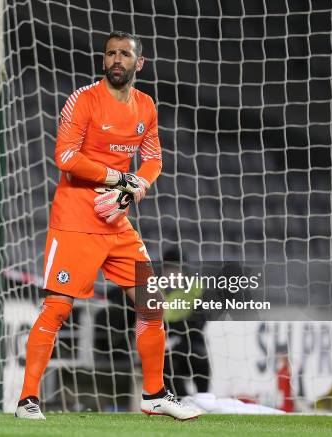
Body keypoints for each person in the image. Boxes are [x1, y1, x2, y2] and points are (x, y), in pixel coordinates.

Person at [15, 31, 202, 421]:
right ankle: (27, 399)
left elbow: (152, 159)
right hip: (75, 221)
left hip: (116, 223)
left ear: (139, 63)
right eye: (111, 54)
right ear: (104, 62)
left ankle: (154, 394)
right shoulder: (83, 100)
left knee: (151, 302)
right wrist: (120, 180)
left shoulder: (146, 107)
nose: (117, 59)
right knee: (58, 307)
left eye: (125, 54)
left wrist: (140, 185)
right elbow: (65, 156)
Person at [161, 247, 211, 397]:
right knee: (164, 365)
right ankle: (183, 401)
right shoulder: (157, 292)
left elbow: (199, 322)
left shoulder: (196, 290)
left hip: (191, 343)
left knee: (200, 358)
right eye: (169, 270)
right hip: (167, 347)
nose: (172, 274)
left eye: (176, 270)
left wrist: (175, 333)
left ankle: (204, 398)